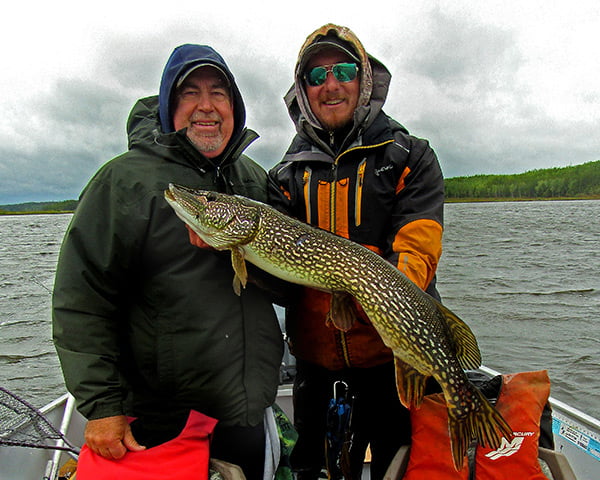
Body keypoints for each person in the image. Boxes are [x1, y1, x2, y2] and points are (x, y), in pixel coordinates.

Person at [52, 44, 285, 480]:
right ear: (166, 105)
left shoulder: (253, 178)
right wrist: (102, 406)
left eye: (219, 93)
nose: (206, 106)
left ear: (234, 105)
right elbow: (81, 301)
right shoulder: (124, 181)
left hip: (246, 408)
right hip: (163, 417)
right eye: (188, 93)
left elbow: (289, 284)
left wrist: (244, 252)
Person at [267, 24, 445, 480]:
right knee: (318, 471)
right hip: (314, 366)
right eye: (316, 75)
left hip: (394, 361)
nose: (331, 84)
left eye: (343, 69)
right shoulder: (285, 175)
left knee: (399, 469)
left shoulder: (410, 156)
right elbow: (276, 277)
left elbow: (417, 249)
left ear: (363, 78)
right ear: (302, 90)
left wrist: (379, 301)